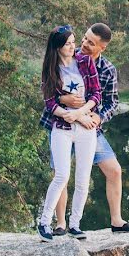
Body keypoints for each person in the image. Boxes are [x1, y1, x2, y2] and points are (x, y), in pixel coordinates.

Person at [54, 23, 129, 233]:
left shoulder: (108, 70)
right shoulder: (66, 57)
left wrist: (99, 117)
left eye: (91, 43)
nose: (83, 44)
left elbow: (112, 103)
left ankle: (117, 221)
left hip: (90, 129)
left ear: (102, 48)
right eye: (84, 38)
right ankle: (60, 224)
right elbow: (48, 90)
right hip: (64, 125)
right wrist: (62, 97)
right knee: (61, 175)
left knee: (114, 171)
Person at [37, 25, 100, 242]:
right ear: (57, 47)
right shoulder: (51, 69)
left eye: (74, 41)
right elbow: (50, 103)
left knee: (83, 179)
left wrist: (81, 114)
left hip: (85, 129)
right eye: (68, 43)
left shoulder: (85, 62)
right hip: (61, 129)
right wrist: (69, 115)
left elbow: (96, 95)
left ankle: (75, 224)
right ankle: (44, 222)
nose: (74, 46)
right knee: (62, 175)